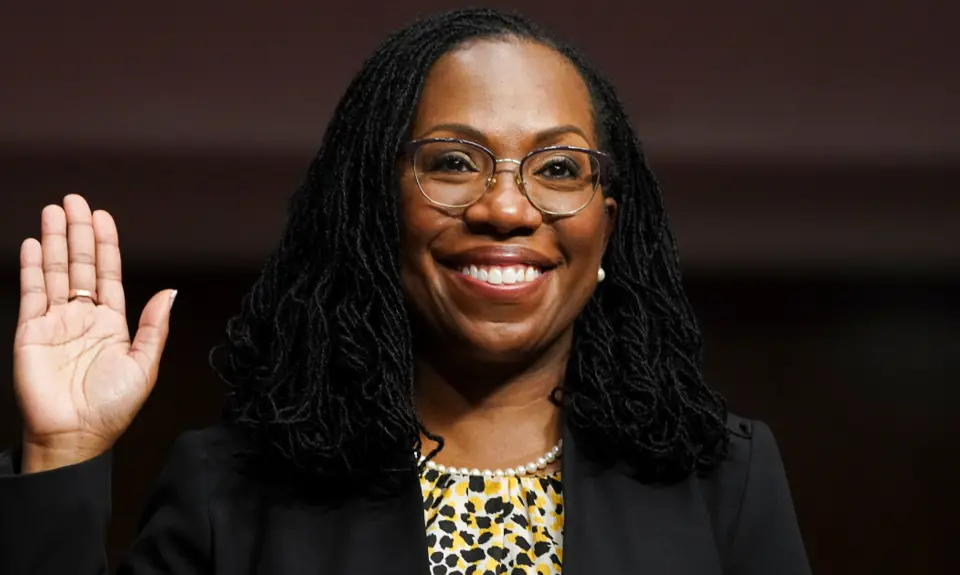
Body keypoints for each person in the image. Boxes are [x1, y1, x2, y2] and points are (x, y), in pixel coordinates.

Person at [0, 8, 810, 575]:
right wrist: (61, 453)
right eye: (454, 161)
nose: (506, 207)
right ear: (372, 209)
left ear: (607, 223)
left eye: (559, 168)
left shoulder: (726, 482)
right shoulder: (232, 492)